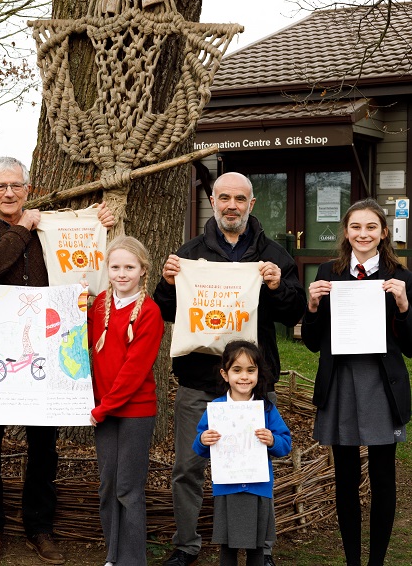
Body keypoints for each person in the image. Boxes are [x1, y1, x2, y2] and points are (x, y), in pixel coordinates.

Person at [0, 156, 114, 564]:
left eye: (16, 186)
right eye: (0, 187)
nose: (9, 193)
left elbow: (80, 238)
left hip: (46, 345)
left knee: (44, 445)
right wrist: (21, 228)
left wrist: (97, 223)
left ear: (28, 189)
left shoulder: (48, 225)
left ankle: (39, 527)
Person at [152, 171, 306, 566]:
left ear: (251, 204)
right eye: (224, 198)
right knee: (188, 466)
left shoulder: (273, 254)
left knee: (257, 465)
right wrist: (168, 283)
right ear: (214, 202)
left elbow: (295, 313)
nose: (231, 206)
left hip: (252, 383)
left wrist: (277, 286)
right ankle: (186, 545)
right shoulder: (188, 253)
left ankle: (262, 549)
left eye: (240, 199)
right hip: (199, 381)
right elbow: (167, 311)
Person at [301, 198, 411, 566]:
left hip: (381, 384)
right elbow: (314, 343)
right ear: (346, 233)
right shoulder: (327, 273)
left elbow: (410, 347)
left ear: (383, 233)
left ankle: (376, 561)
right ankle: (351, 561)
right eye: (355, 227)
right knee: (345, 478)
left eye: (371, 227)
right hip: (341, 383)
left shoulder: (401, 278)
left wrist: (404, 306)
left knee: (383, 477)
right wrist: (313, 308)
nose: (363, 234)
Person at [88, 235, 164, 566]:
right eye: (115, 266)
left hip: (134, 412)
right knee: (108, 486)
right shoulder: (100, 303)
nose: (122, 273)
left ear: (142, 270)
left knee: (127, 489)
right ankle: (112, 555)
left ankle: (133, 560)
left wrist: (102, 408)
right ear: (107, 269)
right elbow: (81, 349)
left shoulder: (149, 312)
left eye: (129, 267)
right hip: (104, 412)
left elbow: (133, 372)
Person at [192, 340, 292, 566]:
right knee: (228, 547)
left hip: (258, 489)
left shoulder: (266, 409)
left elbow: (286, 443)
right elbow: (199, 446)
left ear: (258, 373)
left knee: (257, 548)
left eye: (250, 370)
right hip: (227, 489)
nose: (244, 376)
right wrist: (203, 439)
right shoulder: (217, 409)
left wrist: (273, 440)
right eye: (237, 370)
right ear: (225, 374)